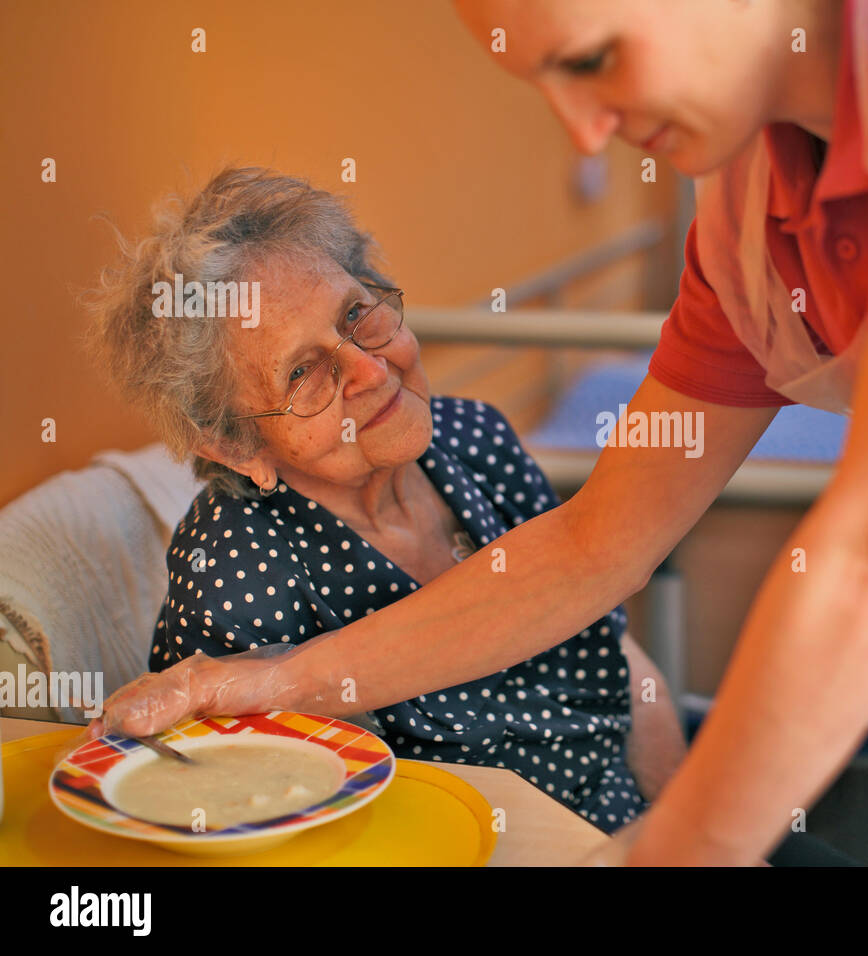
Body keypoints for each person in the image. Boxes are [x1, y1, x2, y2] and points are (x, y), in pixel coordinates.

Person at [95, 0, 868, 865]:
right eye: (545, 86)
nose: (579, 133)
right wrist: (256, 679)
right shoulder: (746, 221)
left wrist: (681, 844)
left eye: (594, 58)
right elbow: (593, 547)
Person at [84, 167, 687, 833]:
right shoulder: (237, 574)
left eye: (355, 315)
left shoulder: (471, 436)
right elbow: (255, 821)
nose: (373, 371)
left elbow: (612, 650)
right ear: (233, 445)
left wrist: (684, 825)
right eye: (303, 371)